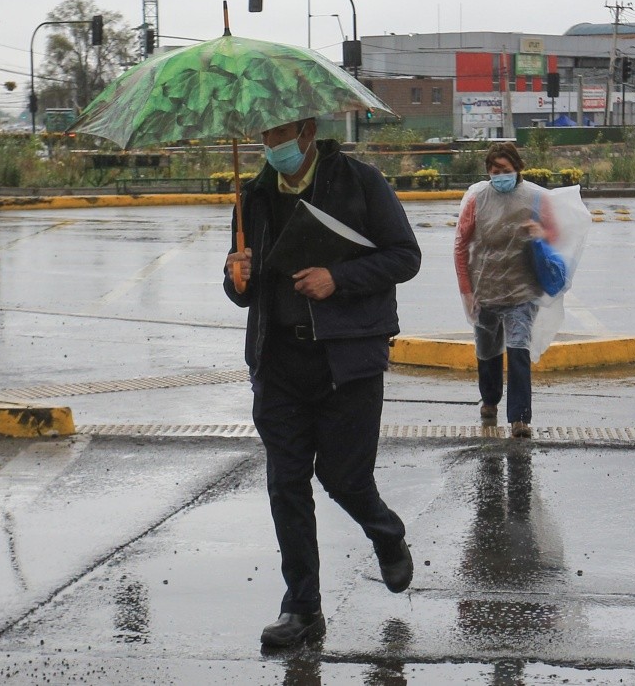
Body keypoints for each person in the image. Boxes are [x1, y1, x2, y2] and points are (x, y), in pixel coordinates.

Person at [223, 117, 421, 649]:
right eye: (263, 135)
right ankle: (302, 609)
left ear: (307, 129)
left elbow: (405, 257)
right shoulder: (254, 195)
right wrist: (234, 277)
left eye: (278, 133)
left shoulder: (360, 181)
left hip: (346, 360)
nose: (271, 145)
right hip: (277, 362)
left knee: (344, 478)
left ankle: (386, 533)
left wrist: (339, 279)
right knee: (286, 485)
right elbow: (244, 288)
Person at [453, 142, 558, 439]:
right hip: (485, 288)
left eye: (506, 170)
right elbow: (461, 245)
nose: (500, 175)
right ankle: (489, 399)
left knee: (518, 349)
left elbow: (556, 234)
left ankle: (520, 419)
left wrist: (542, 234)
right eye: (494, 170)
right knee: (487, 352)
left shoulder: (535, 198)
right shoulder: (477, 200)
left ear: (518, 169)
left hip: (522, 291)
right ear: (488, 171)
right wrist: (467, 290)